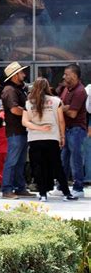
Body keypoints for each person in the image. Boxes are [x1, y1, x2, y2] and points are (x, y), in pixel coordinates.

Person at [22, 78, 78, 202]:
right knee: (57, 166)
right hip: (52, 137)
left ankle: (42, 194)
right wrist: (62, 136)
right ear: (48, 87)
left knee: (38, 167)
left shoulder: (29, 103)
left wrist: (38, 128)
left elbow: (24, 122)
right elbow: (61, 121)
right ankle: (66, 193)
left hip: (34, 138)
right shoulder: (56, 101)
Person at [1, 62, 35, 199]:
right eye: (21, 72)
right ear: (15, 75)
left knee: (20, 162)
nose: (24, 74)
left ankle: (20, 188)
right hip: (15, 132)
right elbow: (14, 109)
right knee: (12, 161)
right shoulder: (9, 90)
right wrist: (31, 114)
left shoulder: (17, 89)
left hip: (20, 131)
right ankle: (7, 189)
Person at [58, 64, 88, 198]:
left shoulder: (80, 91)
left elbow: (73, 114)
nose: (64, 77)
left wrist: (63, 108)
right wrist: (65, 107)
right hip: (67, 129)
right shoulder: (66, 88)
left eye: (67, 74)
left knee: (75, 159)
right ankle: (61, 186)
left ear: (74, 76)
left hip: (76, 130)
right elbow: (62, 105)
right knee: (63, 159)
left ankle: (78, 188)